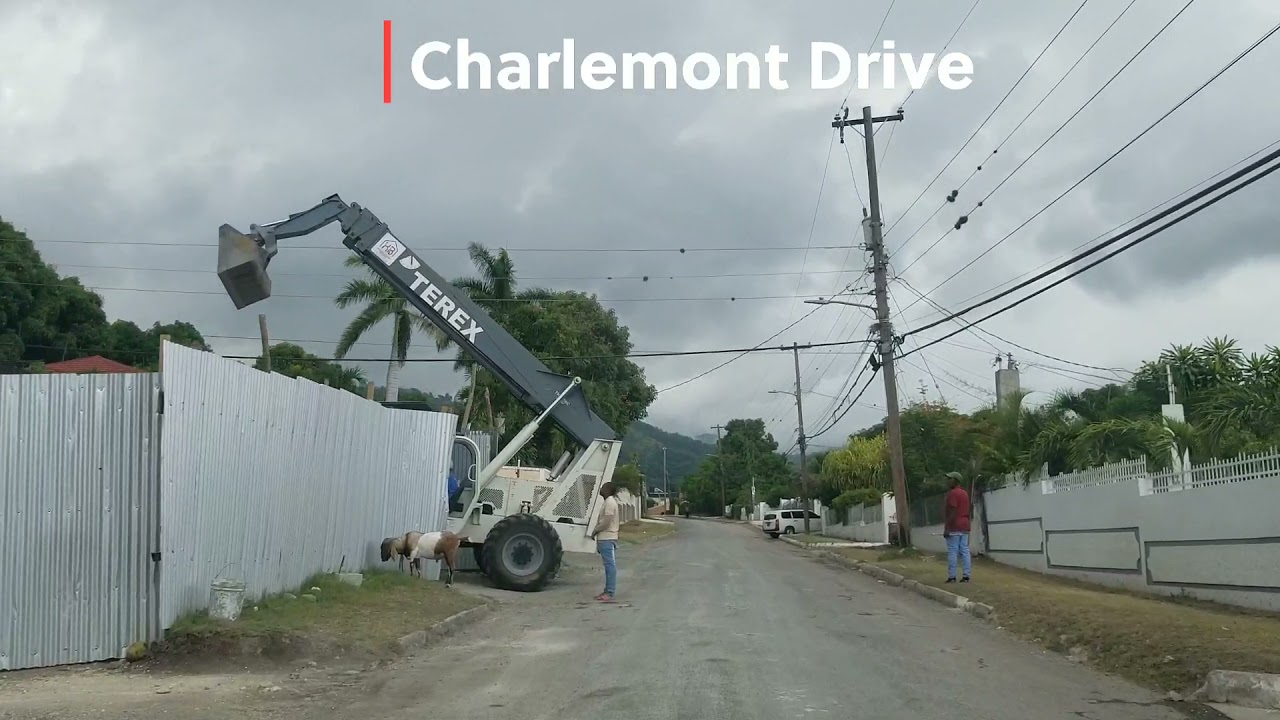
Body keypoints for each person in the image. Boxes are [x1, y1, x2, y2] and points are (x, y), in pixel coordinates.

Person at [590, 481, 620, 602]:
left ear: (608, 490)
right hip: (605, 538)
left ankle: (609, 592)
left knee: (610, 566)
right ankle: (607, 590)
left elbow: (607, 521)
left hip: (607, 537)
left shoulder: (610, 503)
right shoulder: (608, 502)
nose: (601, 489)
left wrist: (595, 530)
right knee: (608, 565)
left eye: (603, 487)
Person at [943, 472, 972, 583]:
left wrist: (947, 527)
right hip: (964, 524)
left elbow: (953, 511)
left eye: (950, 479)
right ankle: (966, 576)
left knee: (953, 550)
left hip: (955, 525)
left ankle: (952, 576)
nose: (947, 481)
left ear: (955, 481)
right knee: (964, 550)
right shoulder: (965, 493)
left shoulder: (953, 494)